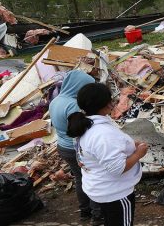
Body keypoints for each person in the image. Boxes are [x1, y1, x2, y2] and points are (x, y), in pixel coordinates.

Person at [67, 83, 148, 226]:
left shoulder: (87, 124)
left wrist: (129, 144)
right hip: (114, 193)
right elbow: (117, 168)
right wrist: (138, 154)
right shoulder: (102, 134)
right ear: (108, 104)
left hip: (99, 188)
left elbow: (85, 153)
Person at [49, 70, 103, 224]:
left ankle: (85, 211)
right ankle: (97, 215)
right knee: (92, 180)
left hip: (62, 146)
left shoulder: (56, 100)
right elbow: (79, 132)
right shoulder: (73, 105)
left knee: (80, 179)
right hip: (75, 148)